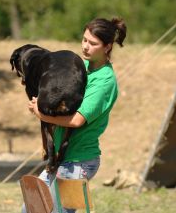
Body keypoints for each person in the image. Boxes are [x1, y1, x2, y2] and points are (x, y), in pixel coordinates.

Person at [25, 17, 126, 213]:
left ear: (107, 47)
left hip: (78, 163)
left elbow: (77, 120)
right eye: (84, 40)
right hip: (59, 160)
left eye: (93, 43)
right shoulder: (79, 68)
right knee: (31, 209)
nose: (85, 46)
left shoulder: (105, 81)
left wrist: (41, 114)